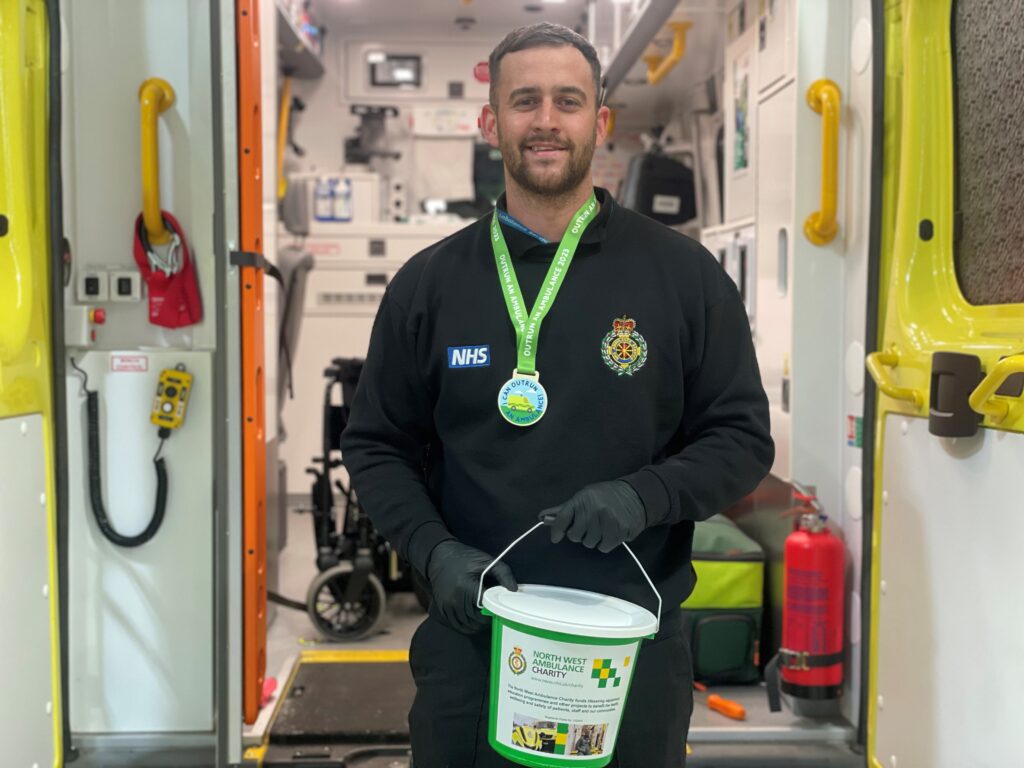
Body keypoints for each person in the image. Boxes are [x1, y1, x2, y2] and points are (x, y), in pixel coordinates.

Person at [339, 22, 773, 768]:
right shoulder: (430, 285)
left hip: (628, 647)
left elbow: (740, 439)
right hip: (473, 639)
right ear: (491, 122)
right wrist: (432, 551)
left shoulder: (683, 277)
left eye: (568, 101)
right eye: (524, 101)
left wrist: (645, 497)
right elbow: (377, 445)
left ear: (600, 121)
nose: (545, 121)